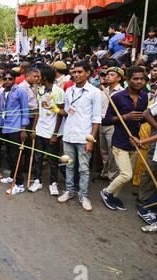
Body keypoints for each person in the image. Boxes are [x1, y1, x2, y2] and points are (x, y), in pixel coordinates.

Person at [100, 66, 148, 211]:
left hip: (135, 141)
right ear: (127, 80)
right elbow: (106, 120)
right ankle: (107, 192)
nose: (139, 81)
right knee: (127, 175)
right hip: (120, 141)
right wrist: (125, 117)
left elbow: (142, 119)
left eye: (142, 78)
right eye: (135, 78)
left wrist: (144, 119)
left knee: (124, 174)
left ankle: (113, 196)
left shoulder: (144, 96)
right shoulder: (117, 97)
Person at [57, 61, 102, 212]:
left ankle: (83, 196)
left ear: (88, 73)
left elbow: (96, 120)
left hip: (84, 137)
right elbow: (67, 111)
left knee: (83, 169)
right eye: (74, 72)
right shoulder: (69, 90)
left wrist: (91, 141)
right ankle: (69, 191)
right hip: (68, 134)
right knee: (68, 165)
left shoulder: (95, 93)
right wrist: (51, 107)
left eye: (80, 72)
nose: (76, 74)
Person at [29, 66, 64, 196]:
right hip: (40, 130)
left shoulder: (59, 91)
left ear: (45, 78)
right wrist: (34, 129)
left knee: (52, 160)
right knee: (38, 158)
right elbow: (39, 111)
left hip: (52, 132)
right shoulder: (41, 90)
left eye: (39, 76)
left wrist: (55, 134)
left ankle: (53, 183)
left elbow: (60, 114)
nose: (37, 79)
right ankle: (37, 180)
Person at [0, 70, 30, 195]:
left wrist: (23, 129)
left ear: (14, 80)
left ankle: (19, 184)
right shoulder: (3, 93)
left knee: (17, 156)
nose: (7, 81)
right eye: (5, 79)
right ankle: (12, 176)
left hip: (16, 129)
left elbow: (25, 110)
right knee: (8, 155)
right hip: (6, 128)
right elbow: (1, 113)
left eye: (10, 79)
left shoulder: (20, 91)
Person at [99, 67, 124, 181]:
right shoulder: (103, 90)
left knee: (112, 151)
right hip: (101, 123)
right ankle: (105, 172)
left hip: (113, 125)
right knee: (103, 150)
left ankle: (112, 176)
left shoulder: (122, 92)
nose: (108, 76)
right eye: (107, 74)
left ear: (119, 78)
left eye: (112, 74)